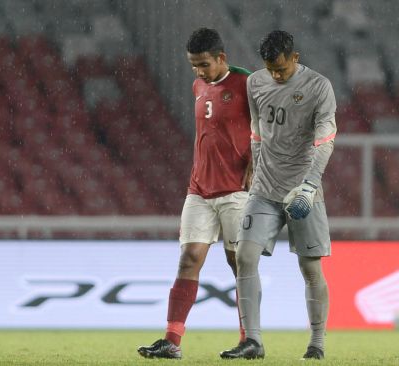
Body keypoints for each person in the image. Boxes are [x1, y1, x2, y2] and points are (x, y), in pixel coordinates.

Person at [219, 30, 336, 360]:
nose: (275, 75)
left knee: (310, 269)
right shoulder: (255, 83)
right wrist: (255, 166)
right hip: (265, 190)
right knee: (244, 256)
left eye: (281, 69)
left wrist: (310, 186)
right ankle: (252, 341)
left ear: (295, 58)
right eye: (270, 69)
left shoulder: (318, 87)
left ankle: (317, 342)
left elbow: (325, 140)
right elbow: (256, 130)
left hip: (303, 190)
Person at [137, 27, 252, 359]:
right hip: (199, 189)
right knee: (188, 259)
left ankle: (249, 339)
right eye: (193, 66)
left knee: (239, 265)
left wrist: (257, 160)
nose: (199, 72)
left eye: (204, 64)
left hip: (235, 190)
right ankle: (172, 341)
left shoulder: (247, 83)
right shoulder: (198, 86)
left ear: (222, 58)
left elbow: (269, 126)